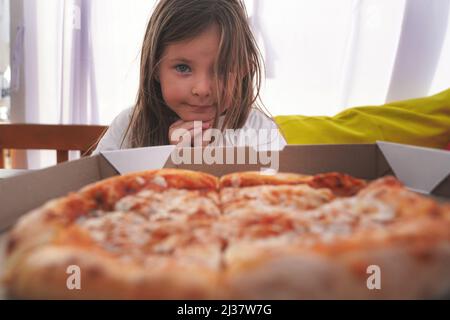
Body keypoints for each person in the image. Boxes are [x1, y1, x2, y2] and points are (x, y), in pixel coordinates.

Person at [93, 0, 286, 155]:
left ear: (244, 70)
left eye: (222, 68)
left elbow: (280, 197)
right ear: (155, 69)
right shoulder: (129, 126)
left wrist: (203, 161)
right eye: (183, 68)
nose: (202, 89)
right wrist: (169, 159)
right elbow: (97, 195)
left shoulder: (260, 132)